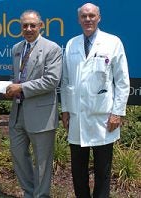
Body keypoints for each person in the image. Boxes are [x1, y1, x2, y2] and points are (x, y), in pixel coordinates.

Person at [60, 3, 130, 198]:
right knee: (78, 172)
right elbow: (65, 81)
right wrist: (65, 110)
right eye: (84, 16)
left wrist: (117, 112)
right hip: (77, 117)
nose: (88, 19)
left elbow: (123, 81)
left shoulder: (112, 42)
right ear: (79, 20)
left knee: (103, 171)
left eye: (91, 16)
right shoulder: (72, 44)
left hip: (104, 118)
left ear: (99, 18)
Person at [5, 10, 62, 198]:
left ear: (40, 26)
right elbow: (16, 77)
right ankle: (30, 193)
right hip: (17, 113)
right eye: (25, 25)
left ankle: (41, 195)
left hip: (41, 115)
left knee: (43, 162)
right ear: (20, 27)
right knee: (19, 156)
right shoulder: (16, 49)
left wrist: (20, 88)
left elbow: (52, 80)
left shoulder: (52, 48)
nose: (28, 29)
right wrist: (5, 86)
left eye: (32, 25)